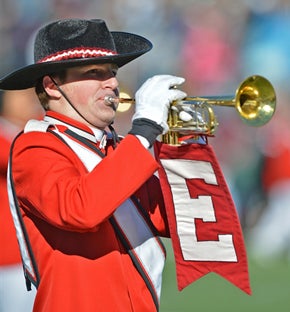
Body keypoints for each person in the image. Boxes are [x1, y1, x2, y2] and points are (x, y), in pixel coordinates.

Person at [0, 18, 186, 311]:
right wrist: (145, 131)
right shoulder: (34, 146)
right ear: (52, 86)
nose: (112, 82)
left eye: (111, 72)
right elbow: (81, 209)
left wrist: (185, 148)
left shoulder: (119, 149)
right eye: (94, 72)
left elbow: (177, 221)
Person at [0, 89, 43, 311]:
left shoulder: (34, 128)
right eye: (20, 95)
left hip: (33, 253)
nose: (30, 101)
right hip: (8, 258)